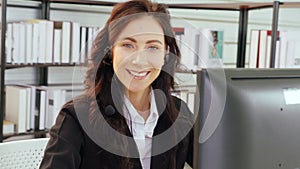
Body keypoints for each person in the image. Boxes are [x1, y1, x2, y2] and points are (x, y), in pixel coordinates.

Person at [39, 0, 194, 168]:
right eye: (128, 45)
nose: (139, 61)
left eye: (152, 47)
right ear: (110, 50)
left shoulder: (179, 113)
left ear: (166, 53)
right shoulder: (76, 117)